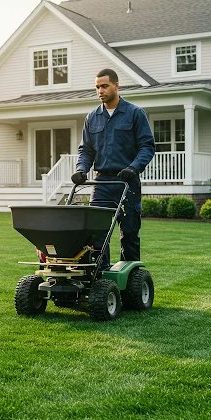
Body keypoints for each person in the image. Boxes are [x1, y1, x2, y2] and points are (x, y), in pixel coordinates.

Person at [71, 68, 155, 269]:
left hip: (127, 182)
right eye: (97, 87)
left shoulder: (135, 113)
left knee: (130, 233)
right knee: (98, 233)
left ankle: (132, 281)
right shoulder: (92, 117)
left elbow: (147, 147)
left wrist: (133, 168)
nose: (100, 90)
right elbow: (86, 150)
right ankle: (102, 277)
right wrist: (81, 169)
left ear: (116, 86)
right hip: (102, 184)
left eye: (104, 86)